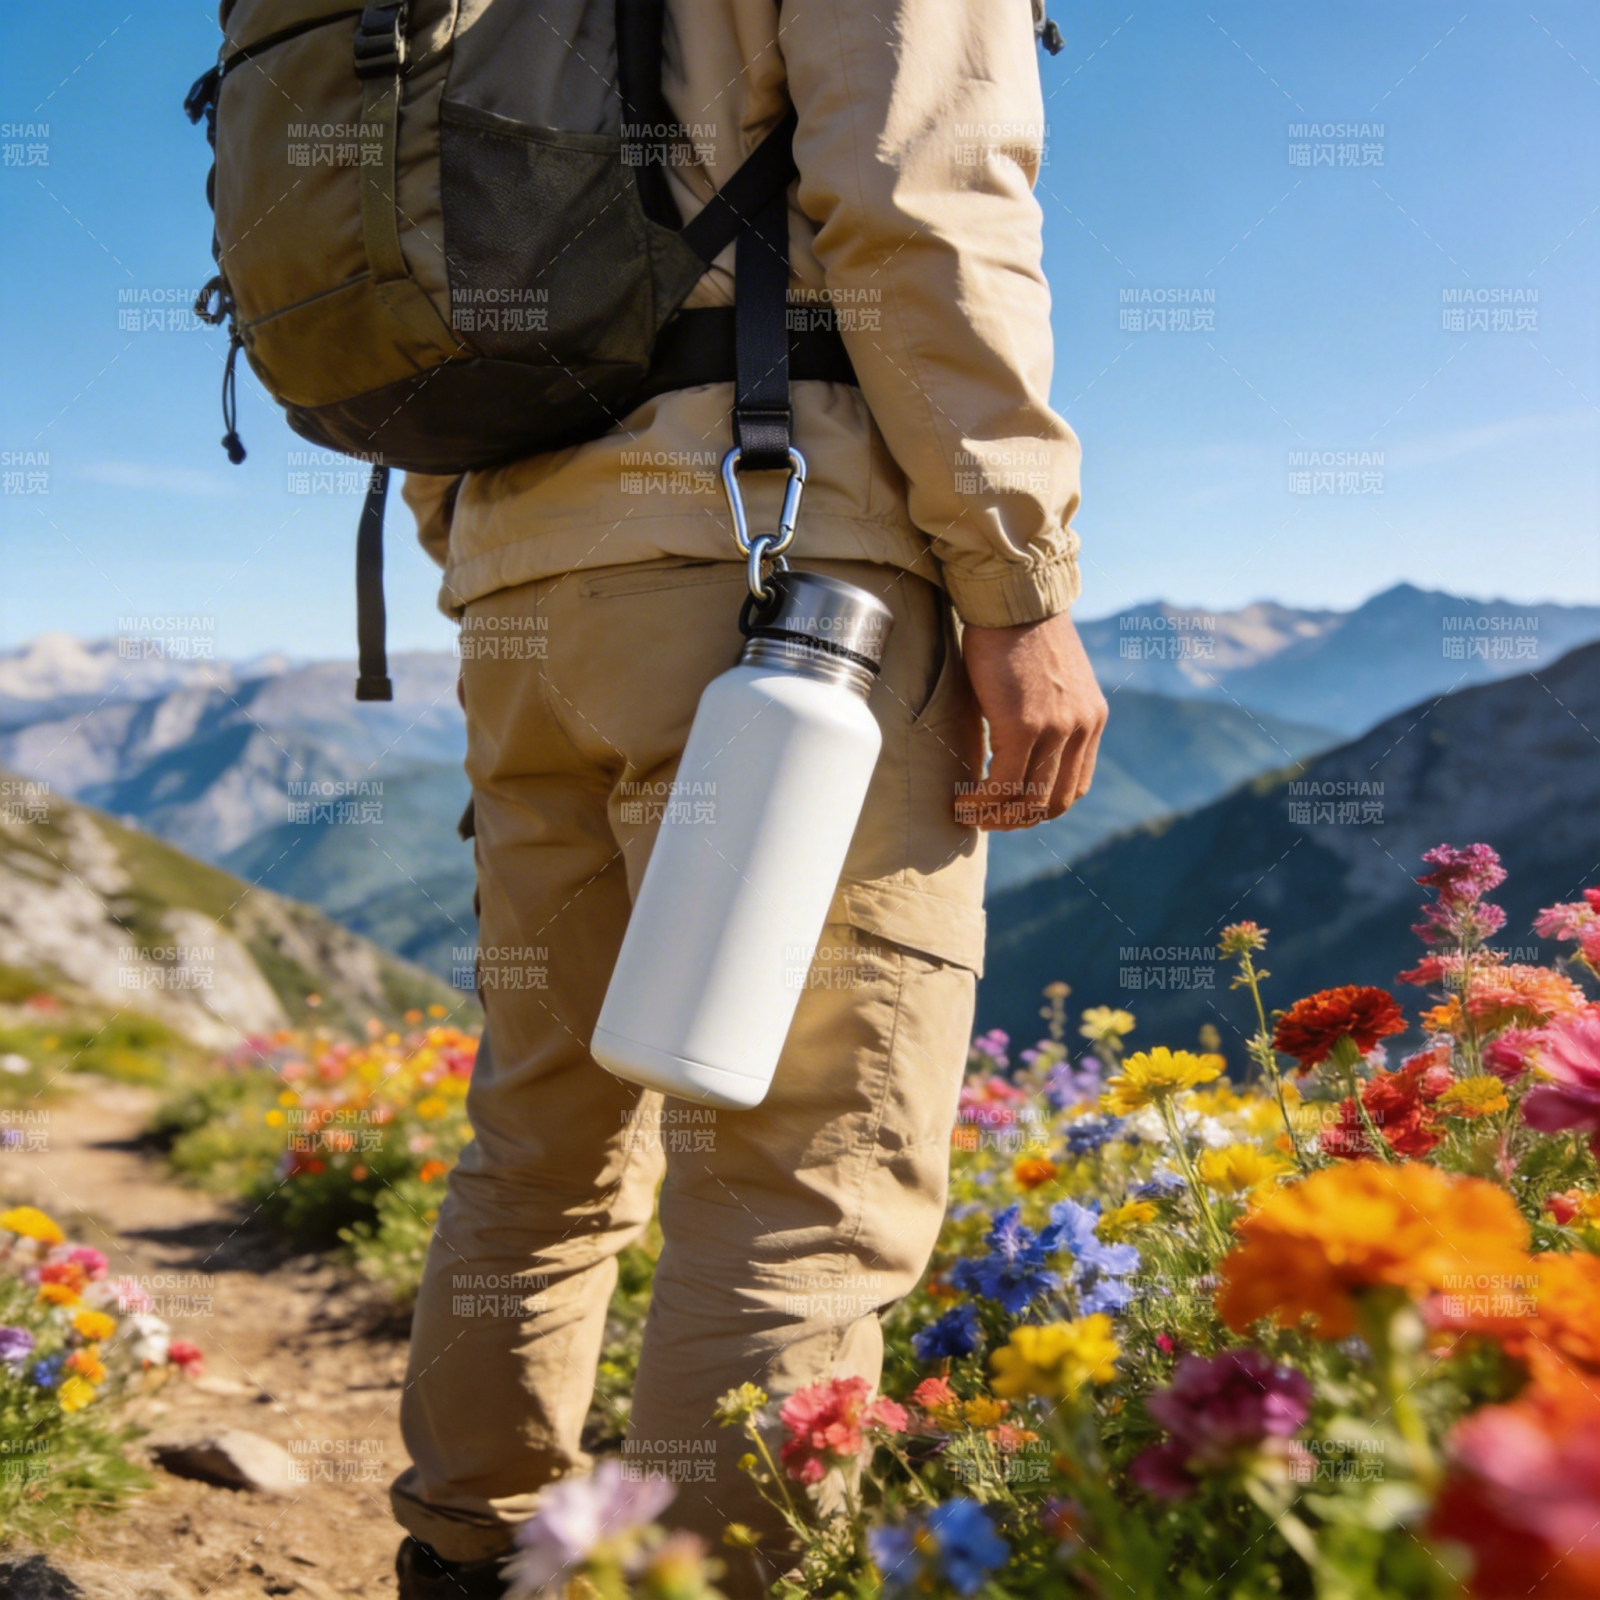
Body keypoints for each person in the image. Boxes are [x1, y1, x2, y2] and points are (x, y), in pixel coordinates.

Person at [390, 1, 1106, 1595]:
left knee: (545, 1125)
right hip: (780, 560)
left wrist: (502, 546)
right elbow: (925, 199)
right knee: (801, 1174)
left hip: (521, 577)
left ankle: (466, 1555)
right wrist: (1020, 582)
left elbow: (427, 273)